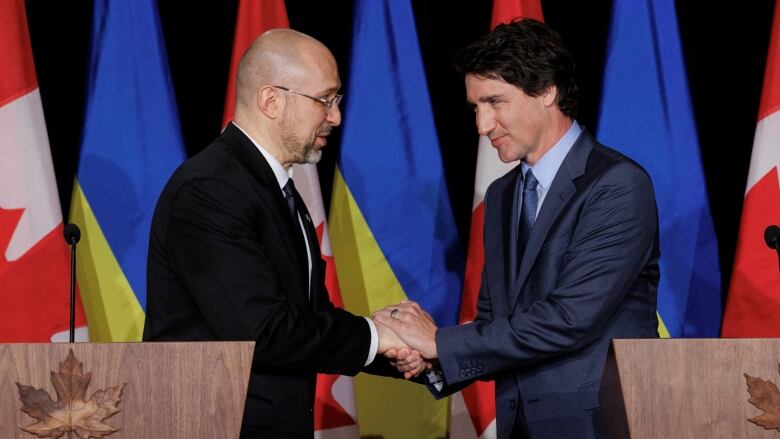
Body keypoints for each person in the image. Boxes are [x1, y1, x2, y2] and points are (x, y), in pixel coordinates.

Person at [375, 19, 660, 439]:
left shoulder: (616, 184)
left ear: (547, 90)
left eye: (495, 102)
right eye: (476, 107)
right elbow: (496, 320)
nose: (482, 125)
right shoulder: (503, 195)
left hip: (600, 423)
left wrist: (440, 343)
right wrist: (433, 361)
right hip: (517, 425)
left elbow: (570, 318)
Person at [143, 29, 423, 438]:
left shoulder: (272, 189)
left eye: (337, 100)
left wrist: (397, 353)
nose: (336, 116)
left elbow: (309, 320)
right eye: (325, 100)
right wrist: (377, 335)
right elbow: (265, 331)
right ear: (271, 101)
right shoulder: (210, 190)